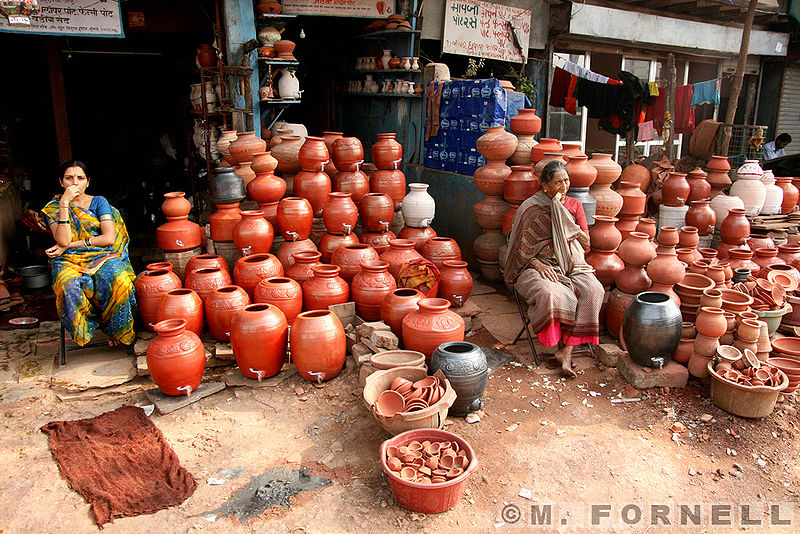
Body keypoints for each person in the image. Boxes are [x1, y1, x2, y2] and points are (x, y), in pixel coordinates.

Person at [503, 160, 604, 377]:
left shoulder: (574, 206)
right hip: (535, 265)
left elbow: (586, 245)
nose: (564, 186)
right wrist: (537, 263)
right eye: (558, 182)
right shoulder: (530, 207)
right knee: (551, 292)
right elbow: (518, 248)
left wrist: (570, 227)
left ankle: (567, 350)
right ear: (545, 185)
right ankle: (557, 345)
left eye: (567, 181)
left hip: (571, 263)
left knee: (594, 290)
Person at [42, 161, 137, 347]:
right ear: (61, 182)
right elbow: (62, 240)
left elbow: (108, 238)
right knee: (67, 285)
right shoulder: (53, 208)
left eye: (80, 178)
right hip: (69, 260)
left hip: (102, 255)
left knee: (119, 280)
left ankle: (116, 330)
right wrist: (64, 203)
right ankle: (88, 327)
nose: (75, 183)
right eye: (69, 178)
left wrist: (71, 245)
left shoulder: (99, 202)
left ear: (88, 182)